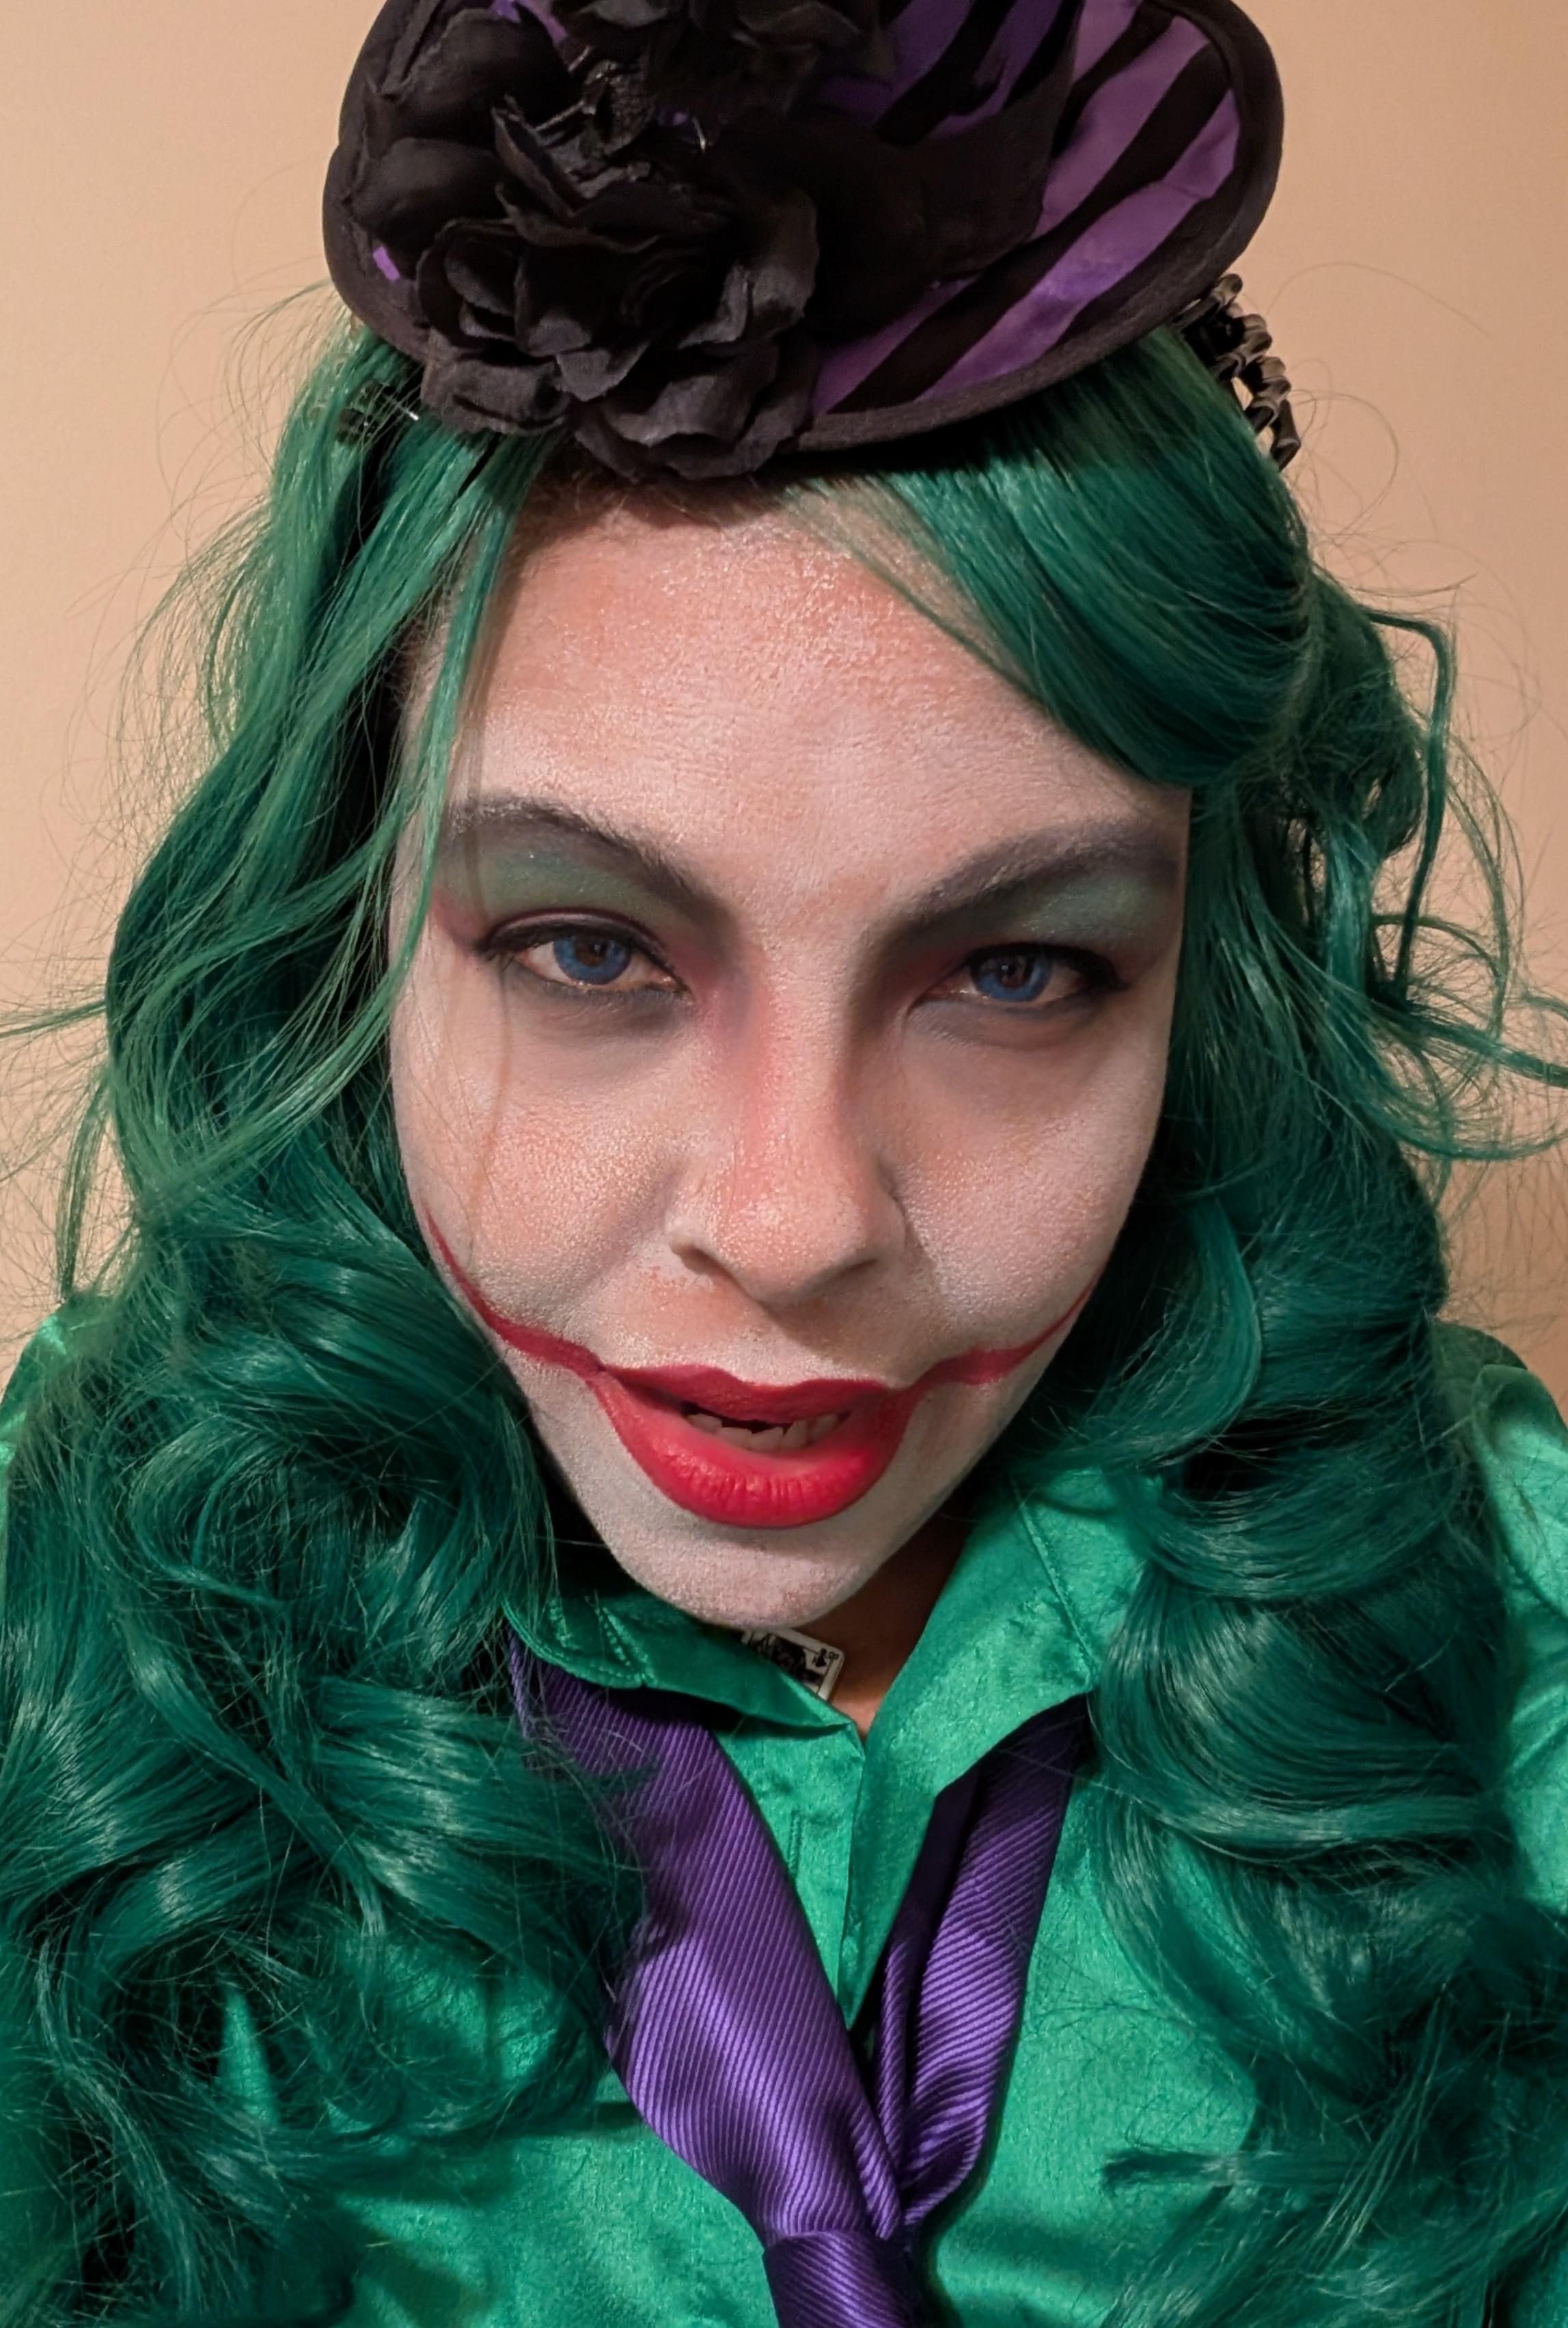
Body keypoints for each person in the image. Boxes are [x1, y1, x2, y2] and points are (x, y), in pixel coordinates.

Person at [1, 0, 1566, 2322]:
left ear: (1197, 978)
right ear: (352, 925)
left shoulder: (1502, 1618)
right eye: (587, 949)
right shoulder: (64, 1650)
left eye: (1015, 973)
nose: (798, 1218)